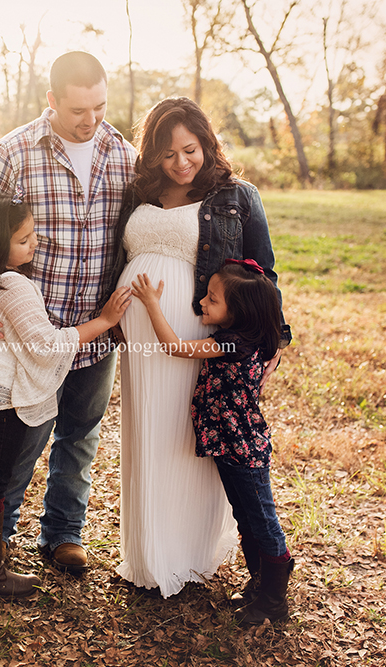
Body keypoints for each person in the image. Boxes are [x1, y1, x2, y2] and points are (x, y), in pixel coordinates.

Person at [0, 52, 136, 575]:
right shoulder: (12, 152)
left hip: (94, 332)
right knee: (20, 444)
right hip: (30, 340)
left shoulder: (123, 155)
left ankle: (63, 535)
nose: (90, 120)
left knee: (81, 435)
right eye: (77, 109)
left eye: (99, 106)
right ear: (50, 100)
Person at [110, 97, 291, 597]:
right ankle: (151, 553)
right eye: (168, 155)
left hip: (194, 333)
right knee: (150, 436)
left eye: (189, 150)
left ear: (207, 143)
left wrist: (276, 336)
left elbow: (264, 273)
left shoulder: (239, 195)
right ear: (154, 156)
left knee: (192, 440)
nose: (181, 163)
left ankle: (188, 554)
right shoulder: (139, 192)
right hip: (142, 342)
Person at [0, 192, 131, 601]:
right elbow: (46, 346)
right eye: (24, 239)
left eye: (32, 233)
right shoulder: (13, 285)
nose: (34, 242)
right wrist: (105, 321)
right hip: (0, 403)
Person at [128, 259, 294, 624]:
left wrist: (153, 304)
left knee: (261, 520)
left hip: (241, 448)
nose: (203, 301)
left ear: (238, 313)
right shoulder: (243, 340)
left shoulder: (233, 345)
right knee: (247, 517)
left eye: (213, 299)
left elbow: (174, 346)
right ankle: (261, 585)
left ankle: (274, 600)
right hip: (229, 444)